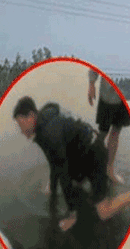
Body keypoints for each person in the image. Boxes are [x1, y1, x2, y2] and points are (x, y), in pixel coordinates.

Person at [13, 96, 130, 231]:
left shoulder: (49, 134)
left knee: (103, 212)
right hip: (82, 151)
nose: (21, 131)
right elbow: (54, 161)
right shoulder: (44, 118)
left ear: (31, 116)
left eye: (21, 125)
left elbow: (63, 172)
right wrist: (52, 185)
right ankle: (83, 183)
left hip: (94, 156)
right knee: (74, 180)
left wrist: (72, 215)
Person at [88, 69, 130, 184]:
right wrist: (91, 84)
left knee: (116, 130)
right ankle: (88, 164)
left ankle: (109, 169)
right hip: (109, 93)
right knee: (103, 132)